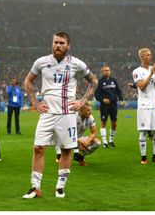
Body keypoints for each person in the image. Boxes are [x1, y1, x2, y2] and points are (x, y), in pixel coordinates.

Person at [22, 31, 98, 199]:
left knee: (66, 150)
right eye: (56, 42)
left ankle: (60, 187)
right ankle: (35, 188)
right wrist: (34, 102)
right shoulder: (41, 62)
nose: (58, 45)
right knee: (38, 148)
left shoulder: (76, 63)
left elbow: (94, 81)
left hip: (67, 114)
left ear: (68, 46)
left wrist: (82, 101)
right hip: (47, 113)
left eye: (62, 43)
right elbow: (27, 81)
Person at [132, 48, 155, 164]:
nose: (150, 57)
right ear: (142, 57)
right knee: (143, 131)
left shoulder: (154, 70)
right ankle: (143, 157)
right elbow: (141, 86)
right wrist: (151, 73)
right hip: (144, 105)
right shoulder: (137, 71)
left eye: (151, 55)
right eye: (148, 55)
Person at [94, 64, 124, 148]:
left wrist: (121, 99)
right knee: (103, 122)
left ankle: (111, 140)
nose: (107, 72)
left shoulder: (114, 80)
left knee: (114, 123)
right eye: (105, 70)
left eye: (108, 70)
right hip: (104, 105)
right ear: (102, 72)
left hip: (113, 105)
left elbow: (118, 91)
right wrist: (102, 99)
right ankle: (105, 142)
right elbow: (96, 94)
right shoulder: (99, 82)